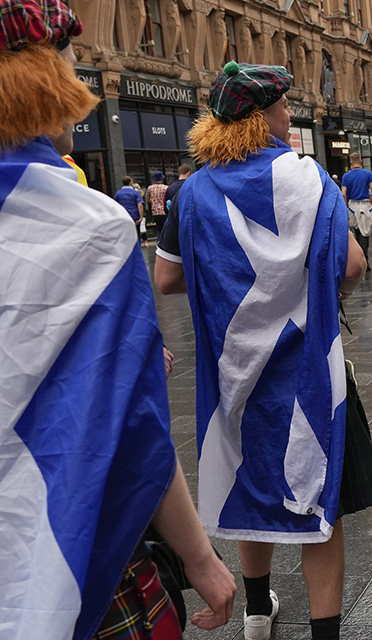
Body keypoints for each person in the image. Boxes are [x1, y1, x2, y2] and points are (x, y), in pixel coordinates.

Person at [0, 1, 236, 638]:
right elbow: (134, 428)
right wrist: (199, 558)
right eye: (73, 69)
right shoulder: (89, 230)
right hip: (76, 558)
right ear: (39, 81)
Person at [153, 61, 372, 640]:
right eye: (283, 107)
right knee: (317, 500)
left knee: (249, 484)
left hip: (235, 375)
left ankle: (257, 613)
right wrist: (320, 292)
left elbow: (166, 279)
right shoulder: (308, 178)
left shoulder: (193, 191)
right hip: (308, 372)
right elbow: (351, 264)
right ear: (262, 116)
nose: (289, 116)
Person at [341, 152, 372, 269]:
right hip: (365, 204)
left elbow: (343, 193)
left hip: (352, 206)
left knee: (356, 232)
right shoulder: (368, 174)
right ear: (361, 161)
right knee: (365, 233)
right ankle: (365, 259)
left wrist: (345, 207)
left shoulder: (346, 176)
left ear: (351, 162)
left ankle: (360, 258)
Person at [145, 170, 169, 237]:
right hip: (164, 211)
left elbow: (148, 200)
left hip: (155, 211)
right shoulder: (166, 188)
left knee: (159, 228)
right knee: (165, 227)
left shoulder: (150, 188)